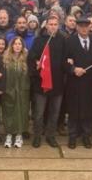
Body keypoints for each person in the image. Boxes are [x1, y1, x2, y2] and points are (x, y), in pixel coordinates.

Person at [28, 16, 66, 148]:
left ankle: (50, 135)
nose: (53, 26)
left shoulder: (63, 40)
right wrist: (36, 63)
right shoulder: (38, 40)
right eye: (51, 24)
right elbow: (31, 58)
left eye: (56, 24)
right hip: (41, 83)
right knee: (39, 113)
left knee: (54, 112)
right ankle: (37, 136)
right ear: (46, 25)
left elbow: (66, 59)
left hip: (57, 83)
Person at [64, 16, 92, 149]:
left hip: (91, 83)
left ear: (90, 27)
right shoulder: (69, 41)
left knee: (88, 111)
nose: (84, 29)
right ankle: (72, 136)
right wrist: (73, 69)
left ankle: (86, 136)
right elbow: (64, 61)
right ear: (77, 27)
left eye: (86, 26)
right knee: (74, 110)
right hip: (74, 82)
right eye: (81, 26)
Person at [1, 36, 30, 148]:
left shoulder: (26, 59)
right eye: (15, 44)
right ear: (12, 45)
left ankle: (19, 135)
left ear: (22, 46)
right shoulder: (5, 59)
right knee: (8, 112)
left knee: (21, 112)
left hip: (23, 92)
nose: (17, 46)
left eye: (19, 44)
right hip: (9, 91)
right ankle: (9, 134)